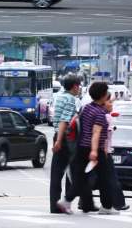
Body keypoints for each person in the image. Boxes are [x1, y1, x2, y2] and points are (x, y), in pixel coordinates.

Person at [59, 81, 115, 215]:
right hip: (94, 150)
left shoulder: (86, 108)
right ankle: (106, 207)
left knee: (81, 178)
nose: (108, 95)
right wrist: (95, 151)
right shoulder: (100, 114)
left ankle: (66, 201)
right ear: (102, 96)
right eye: (106, 93)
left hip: (81, 147)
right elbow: (96, 133)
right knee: (105, 178)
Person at [50, 75, 81, 214]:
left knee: (56, 173)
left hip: (58, 134)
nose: (79, 89)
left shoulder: (60, 97)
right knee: (73, 171)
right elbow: (64, 120)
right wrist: (59, 141)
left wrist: (57, 138)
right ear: (74, 86)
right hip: (66, 137)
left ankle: (55, 205)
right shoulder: (70, 99)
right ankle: (66, 203)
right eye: (78, 86)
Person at [101, 96, 129, 211]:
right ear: (103, 103)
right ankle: (118, 203)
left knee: (98, 179)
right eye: (109, 102)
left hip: (102, 151)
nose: (112, 104)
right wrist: (105, 151)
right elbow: (105, 137)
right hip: (105, 152)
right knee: (112, 179)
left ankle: (85, 202)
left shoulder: (99, 115)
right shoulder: (107, 117)